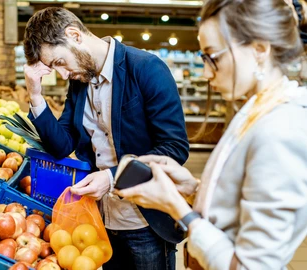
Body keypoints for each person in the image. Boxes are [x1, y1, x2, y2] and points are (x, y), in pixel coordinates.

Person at [116, 0, 307, 269]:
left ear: (260, 49)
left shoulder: (280, 130)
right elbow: (241, 206)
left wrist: (176, 207)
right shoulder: (257, 110)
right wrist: (193, 189)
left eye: (212, 56)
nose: (206, 72)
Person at [23, 7, 190, 270]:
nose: (63, 74)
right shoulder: (79, 82)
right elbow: (62, 145)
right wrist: (35, 96)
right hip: (101, 223)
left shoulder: (146, 68)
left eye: (59, 63)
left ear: (74, 35)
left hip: (145, 221)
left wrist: (111, 178)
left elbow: (174, 147)